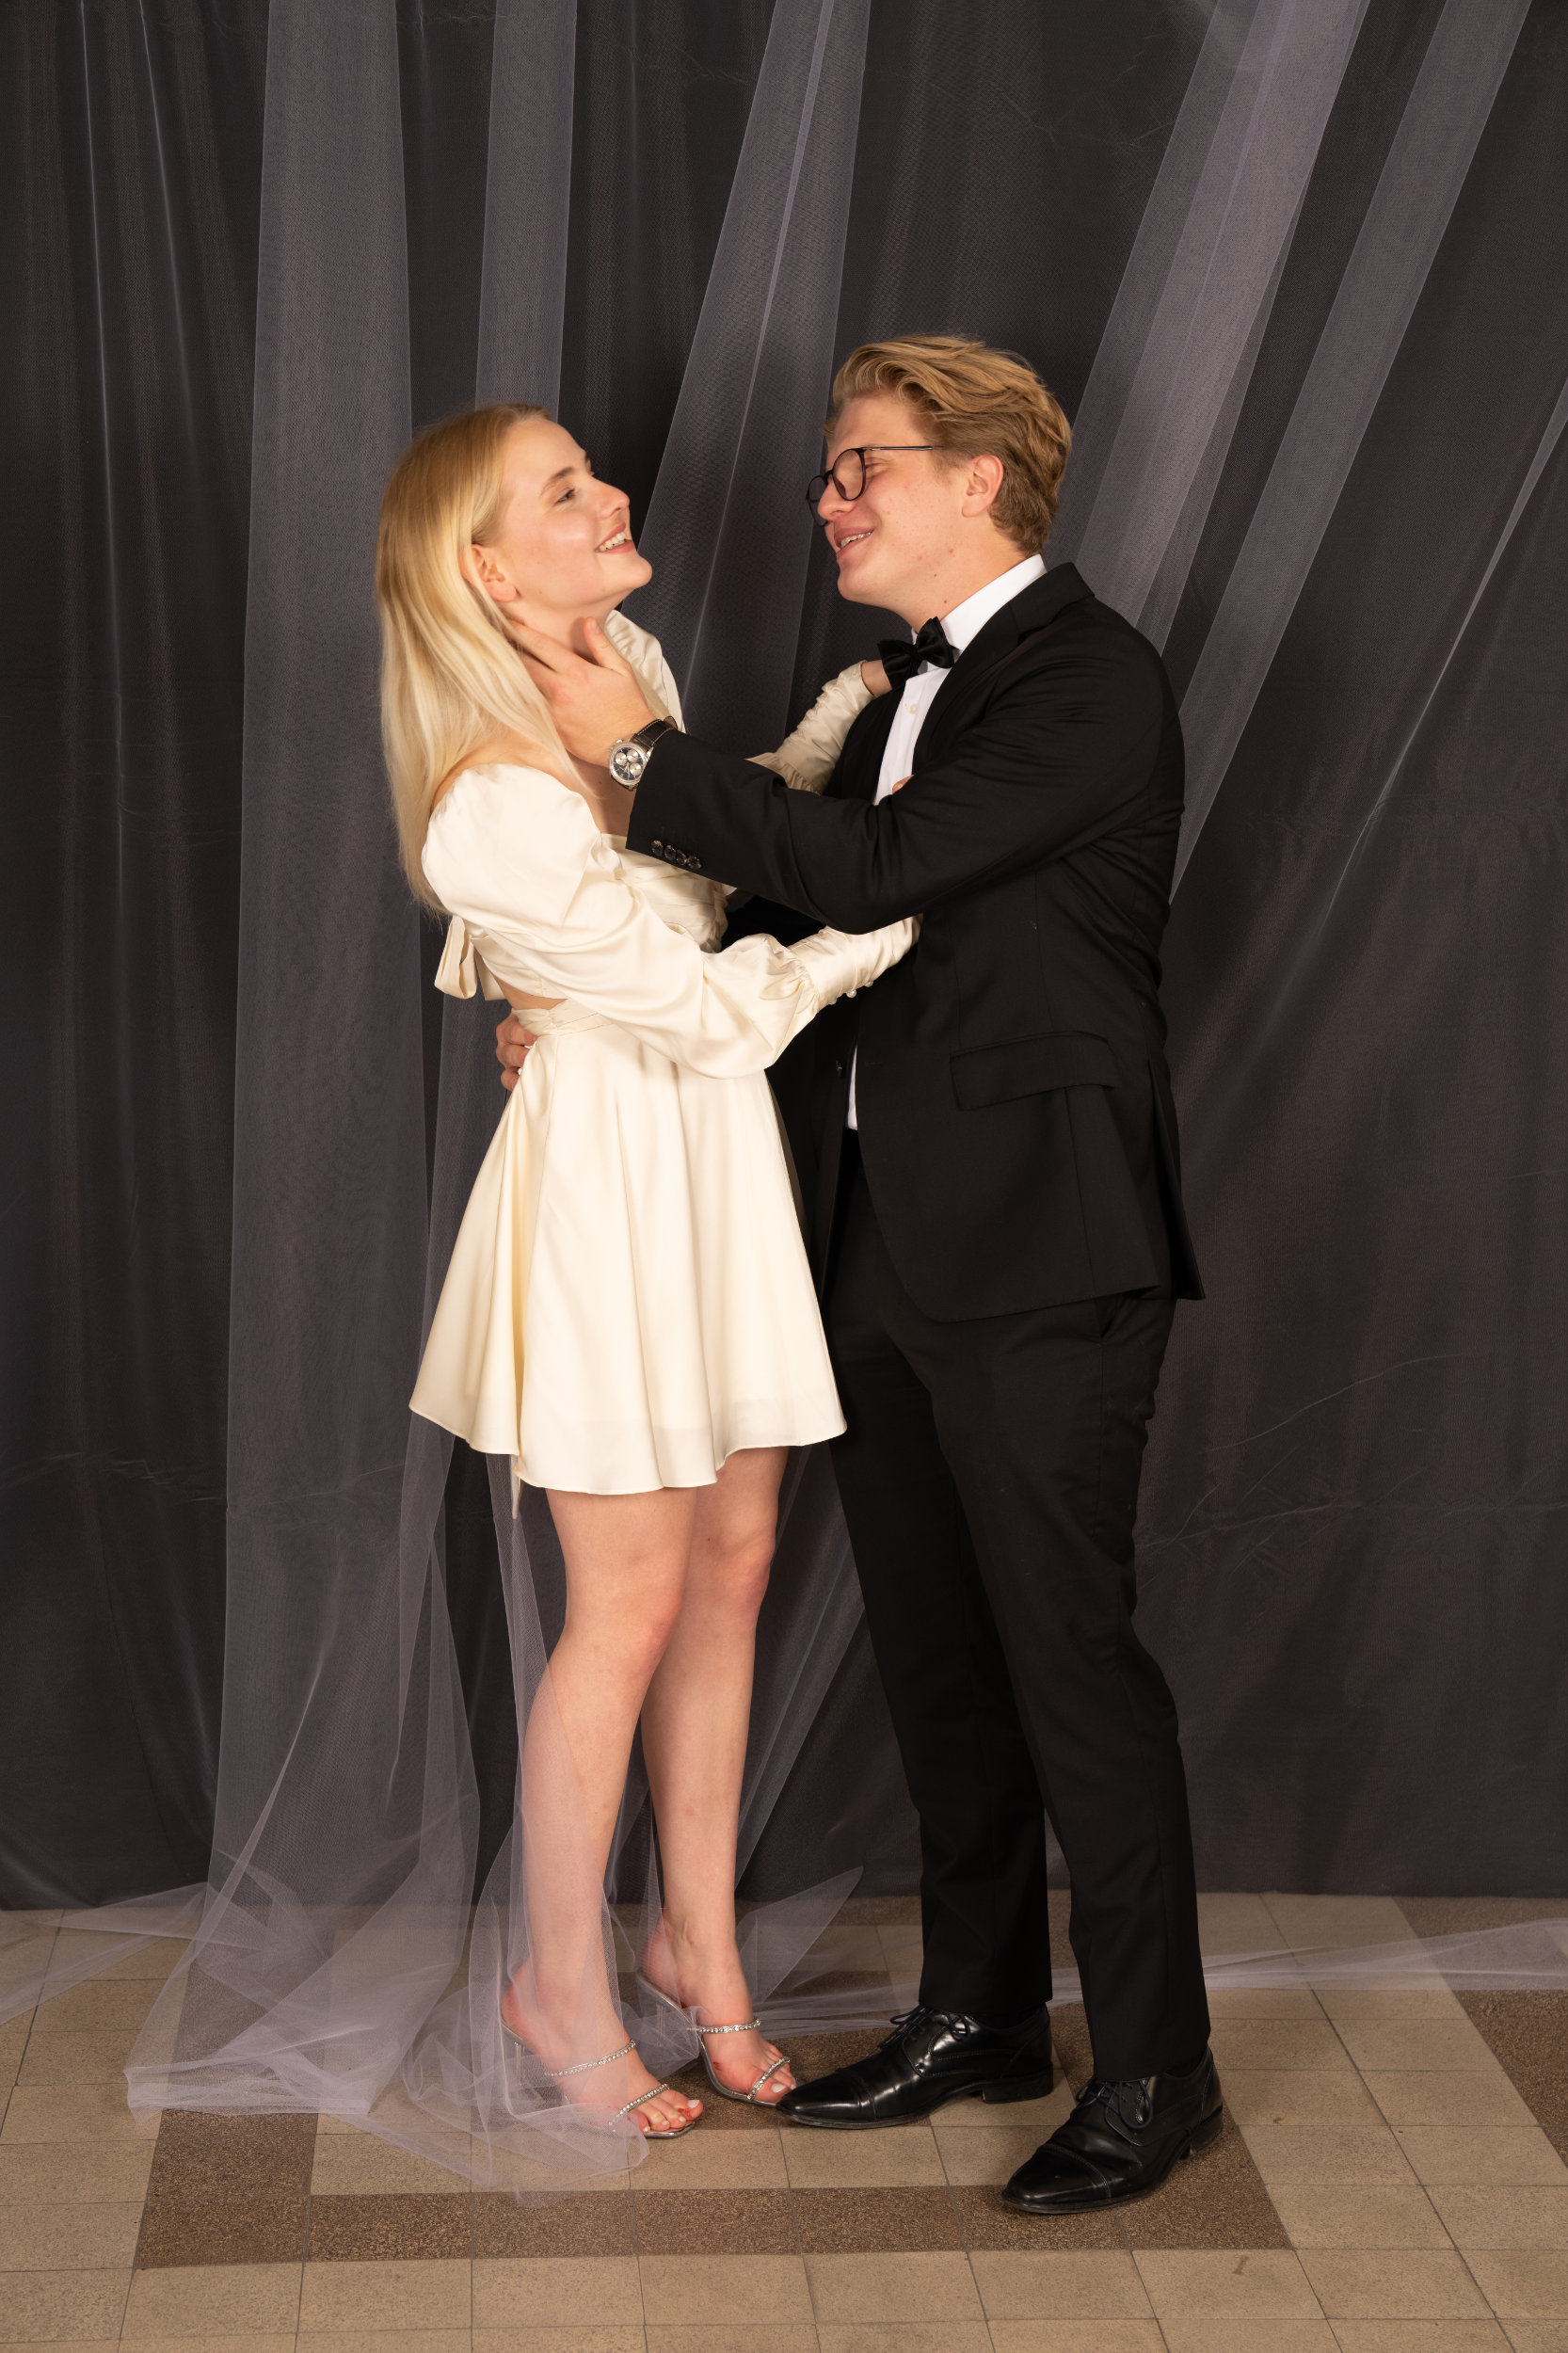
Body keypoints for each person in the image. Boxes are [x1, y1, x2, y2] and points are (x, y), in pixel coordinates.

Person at [503, 336, 1222, 2213]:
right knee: (935, 1654)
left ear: (977, 478)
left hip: (1045, 1241)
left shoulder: (1087, 677)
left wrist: (635, 753)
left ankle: (1157, 2067)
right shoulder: (899, 685)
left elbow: (877, 865)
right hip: (875, 1239)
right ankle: (977, 2013)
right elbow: (759, 916)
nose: (826, 499)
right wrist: (564, 1000)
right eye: (830, 470)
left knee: (1066, 1660)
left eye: (860, 466)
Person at [376, 402, 913, 2139]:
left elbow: (694, 854)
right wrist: (891, 920)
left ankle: (700, 1946)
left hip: (709, 1162)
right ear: (485, 572)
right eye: (564, 491)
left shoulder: (624, 668)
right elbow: (700, 1007)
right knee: (623, 1610)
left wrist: (822, 736)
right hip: (616, 1178)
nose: (610, 494)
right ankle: (558, 1981)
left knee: (732, 1570)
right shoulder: (484, 803)